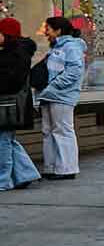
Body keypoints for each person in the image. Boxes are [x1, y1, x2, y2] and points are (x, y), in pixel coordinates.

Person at [37, 17, 84, 180]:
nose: (45, 32)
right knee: (49, 131)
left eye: (48, 29)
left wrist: (53, 86)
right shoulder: (57, 47)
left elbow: (74, 71)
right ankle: (52, 167)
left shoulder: (71, 47)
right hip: (49, 95)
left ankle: (67, 168)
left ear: (58, 30)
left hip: (61, 96)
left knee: (62, 131)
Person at [0, 18, 40, 191]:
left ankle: (3, 179)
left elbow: (12, 80)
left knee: (3, 142)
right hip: (8, 103)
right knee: (7, 140)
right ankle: (26, 174)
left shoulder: (17, 53)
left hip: (8, 104)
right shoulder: (12, 51)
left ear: (7, 34)